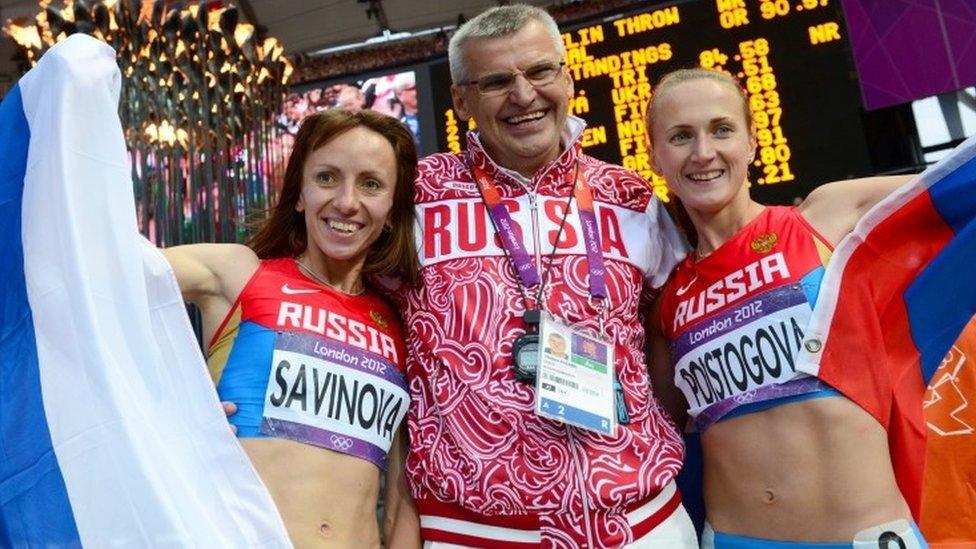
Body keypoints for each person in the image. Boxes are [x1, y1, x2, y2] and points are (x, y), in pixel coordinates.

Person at [387, 5, 697, 547]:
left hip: (642, 523)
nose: (523, 95)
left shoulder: (630, 196)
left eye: (540, 72)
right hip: (474, 532)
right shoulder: (414, 197)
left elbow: (667, 331)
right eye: (496, 81)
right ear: (461, 101)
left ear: (568, 77)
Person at [645, 68, 926, 547]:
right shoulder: (667, 302)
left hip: (866, 533)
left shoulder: (827, 217)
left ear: (753, 142)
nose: (703, 152)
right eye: (680, 136)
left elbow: (956, 192)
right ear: (655, 156)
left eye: (722, 129)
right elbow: (656, 439)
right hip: (737, 538)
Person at [163, 109, 421, 547]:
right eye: (326, 178)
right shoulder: (238, 273)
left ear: (392, 210)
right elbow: (92, 270)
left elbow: (400, 501)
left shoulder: (401, 324)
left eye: (371, 184)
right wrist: (165, 415)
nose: (346, 201)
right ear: (299, 193)